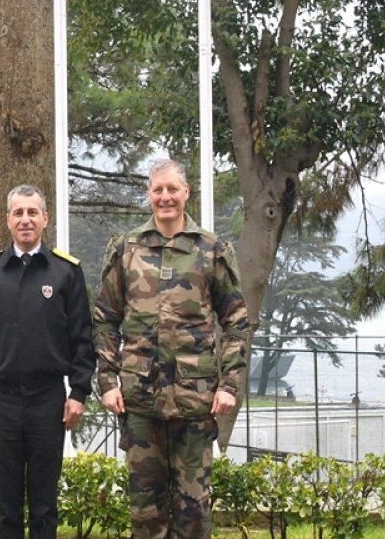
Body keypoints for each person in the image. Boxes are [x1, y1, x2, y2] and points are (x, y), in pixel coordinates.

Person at [92, 159, 253, 539]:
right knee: (145, 512)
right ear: (149, 195)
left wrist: (229, 385)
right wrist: (108, 382)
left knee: (194, 510)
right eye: (157, 190)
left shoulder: (211, 250)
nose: (165, 197)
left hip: (195, 401)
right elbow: (103, 319)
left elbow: (236, 321)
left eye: (172, 189)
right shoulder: (127, 249)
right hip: (140, 401)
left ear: (186, 193)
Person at [0, 184, 95, 539]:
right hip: (1, 401)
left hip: (47, 400)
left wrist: (79, 392)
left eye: (32, 213)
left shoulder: (66, 273)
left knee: (44, 505)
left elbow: (83, 340)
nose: (25, 220)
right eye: (18, 213)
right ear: (8, 220)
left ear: (45, 219)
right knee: (5, 506)